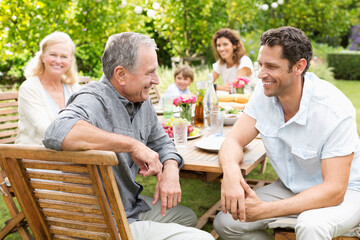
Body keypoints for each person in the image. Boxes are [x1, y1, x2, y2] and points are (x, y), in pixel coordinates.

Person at [43, 32, 213, 240]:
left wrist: (170, 168)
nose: (157, 80)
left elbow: (162, 142)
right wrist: (133, 145)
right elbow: (57, 131)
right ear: (121, 74)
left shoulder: (141, 99)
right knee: (201, 238)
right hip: (100, 221)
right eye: (150, 73)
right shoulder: (93, 98)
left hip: (127, 206)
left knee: (186, 217)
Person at [213, 26, 360, 240]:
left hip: (345, 194)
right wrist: (231, 174)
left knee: (311, 225)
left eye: (271, 66)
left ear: (299, 66)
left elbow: (334, 190)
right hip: (290, 187)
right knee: (225, 222)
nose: (261, 74)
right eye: (260, 64)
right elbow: (234, 140)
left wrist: (264, 210)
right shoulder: (263, 94)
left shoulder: (334, 110)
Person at [15, 31, 80, 145]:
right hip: (32, 155)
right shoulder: (29, 88)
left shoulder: (73, 88)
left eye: (64, 56)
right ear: (43, 57)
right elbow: (45, 130)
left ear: (70, 61)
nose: (58, 61)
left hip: (67, 153)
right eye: (53, 55)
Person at [212, 28, 254, 93]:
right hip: (230, 100)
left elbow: (235, 86)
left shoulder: (244, 61)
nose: (221, 48)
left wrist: (216, 87)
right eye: (218, 45)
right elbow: (206, 84)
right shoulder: (221, 63)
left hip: (244, 99)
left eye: (225, 44)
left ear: (235, 45)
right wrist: (219, 87)